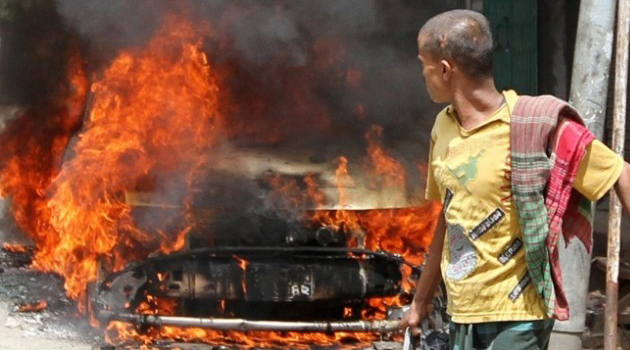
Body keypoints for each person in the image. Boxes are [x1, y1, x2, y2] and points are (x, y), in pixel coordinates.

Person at [399, 9, 630, 350]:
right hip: (462, 314)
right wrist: (421, 301)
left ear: (446, 70)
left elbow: (619, 173)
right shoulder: (443, 127)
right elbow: (450, 218)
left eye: (425, 65)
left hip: (519, 314)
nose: (422, 74)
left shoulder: (535, 123)